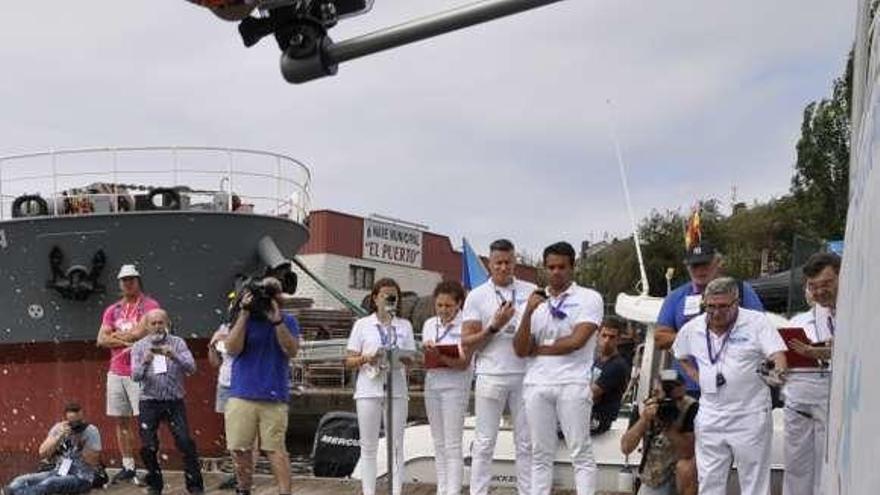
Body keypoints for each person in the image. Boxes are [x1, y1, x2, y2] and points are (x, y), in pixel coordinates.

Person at [672, 277, 787, 495]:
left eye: (723, 306)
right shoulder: (693, 328)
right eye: (711, 307)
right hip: (711, 414)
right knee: (709, 482)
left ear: (736, 303)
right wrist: (697, 377)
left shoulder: (756, 322)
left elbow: (776, 353)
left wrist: (778, 371)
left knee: (754, 483)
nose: (716, 312)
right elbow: (679, 354)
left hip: (749, 414)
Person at [513, 241, 602, 495]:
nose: (556, 272)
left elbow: (576, 342)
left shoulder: (589, 298)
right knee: (539, 453)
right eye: (551, 267)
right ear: (544, 269)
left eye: (561, 267)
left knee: (580, 451)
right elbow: (520, 349)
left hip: (572, 382)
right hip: (536, 384)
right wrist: (528, 313)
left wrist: (539, 348)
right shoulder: (533, 302)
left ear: (572, 267)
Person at [461, 239, 536, 495]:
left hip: (525, 375)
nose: (504, 268)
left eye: (508, 262)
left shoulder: (531, 290)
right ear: (489, 264)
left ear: (515, 262)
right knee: (484, 442)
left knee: (526, 443)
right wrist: (494, 326)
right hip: (491, 375)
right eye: (498, 263)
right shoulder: (476, 295)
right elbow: (468, 343)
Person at [655, 242, 764, 399]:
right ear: (687, 267)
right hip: (687, 387)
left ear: (718, 263)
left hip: (734, 385)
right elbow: (660, 338)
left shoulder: (741, 290)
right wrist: (697, 335)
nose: (700, 270)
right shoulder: (676, 297)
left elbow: (759, 329)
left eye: (705, 264)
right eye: (695, 266)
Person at [224, 277, 300, 495]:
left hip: (274, 395)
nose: (267, 297)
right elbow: (232, 348)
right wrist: (245, 313)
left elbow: (291, 350)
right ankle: (244, 488)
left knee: (275, 449)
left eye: (272, 292)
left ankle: (285, 492)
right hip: (242, 392)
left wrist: (276, 322)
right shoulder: (242, 318)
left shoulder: (288, 320)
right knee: (239, 448)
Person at [345, 278, 416, 495]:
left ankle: (396, 492)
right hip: (369, 387)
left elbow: (411, 360)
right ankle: (369, 492)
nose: (389, 299)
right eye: (385, 295)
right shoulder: (362, 325)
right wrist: (368, 358)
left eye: (393, 295)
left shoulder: (404, 325)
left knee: (396, 445)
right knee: (368, 446)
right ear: (375, 298)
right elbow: (349, 360)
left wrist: (402, 357)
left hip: (396, 388)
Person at [95, 264, 160, 484]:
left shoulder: (150, 306)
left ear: (138, 281)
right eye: (124, 280)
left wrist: (117, 335)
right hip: (116, 371)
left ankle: (153, 467)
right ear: (120, 283)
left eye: (131, 279)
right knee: (121, 421)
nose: (128, 283)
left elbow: (140, 334)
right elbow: (101, 340)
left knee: (146, 421)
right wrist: (128, 337)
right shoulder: (112, 309)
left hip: (141, 371)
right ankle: (128, 466)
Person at [782, 252, 839, 495]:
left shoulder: (859, 313)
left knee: (830, 468)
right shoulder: (801, 321)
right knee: (796, 469)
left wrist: (817, 352)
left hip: (836, 403)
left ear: (841, 277)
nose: (819, 292)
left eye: (826, 284)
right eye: (813, 287)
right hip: (799, 401)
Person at [130, 309, 204, 495]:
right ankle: (155, 484)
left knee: (185, 442)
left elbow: (192, 368)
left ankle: (195, 486)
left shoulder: (178, 343)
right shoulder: (139, 347)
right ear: (147, 326)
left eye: (160, 323)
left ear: (167, 324)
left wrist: (174, 356)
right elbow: (135, 376)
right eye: (153, 323)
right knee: (148, 446)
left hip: (174, 401)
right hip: (149, 402)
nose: (157, 327)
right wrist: (145, 361)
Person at [422, 280, 473, 495]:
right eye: (439, 305)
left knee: (453, 443)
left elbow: (465, 361)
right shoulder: (429, 324)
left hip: (455, 386)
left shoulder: (467, 325)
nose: (443, 310)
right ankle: (442, 489)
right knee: (438, 441)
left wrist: (442, 353)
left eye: (448, 306)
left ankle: (453, 491)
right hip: (433, 384)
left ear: (459, 304)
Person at [620, 370, 699, 495]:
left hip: (681, 476)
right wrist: (644, 420)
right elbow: (626, 448)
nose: (675, 404)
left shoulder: (691, 407)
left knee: (687, 468)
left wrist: (668, 427)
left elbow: (688, 452)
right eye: (671, 399)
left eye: (679, 398)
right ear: (655, 393)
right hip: (655, 475)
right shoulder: (645, 406)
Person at [5, 403, 102, 495]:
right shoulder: (59, 428)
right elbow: (42, 453)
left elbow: (92, 462)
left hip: (81, 478)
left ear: (83, 417)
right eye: (73, 422)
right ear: (65, 420)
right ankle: (10, 491)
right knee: (22, 479)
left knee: (50, 483)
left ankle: (18, 494)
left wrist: (79, 441)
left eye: (79, 422)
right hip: (58, 472)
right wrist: (59, 437)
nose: (76, 425)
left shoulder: (91, 431)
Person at [590, 316, 631, 435]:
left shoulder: (617, 365)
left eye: (612, 337)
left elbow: (590, 394)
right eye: (604, 336)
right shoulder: (597, 361)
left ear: (618, 340)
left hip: (598, 420)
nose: (607, 340)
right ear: (598, 336)